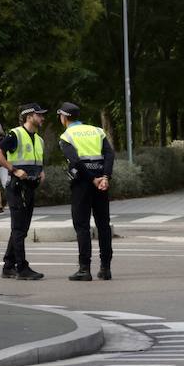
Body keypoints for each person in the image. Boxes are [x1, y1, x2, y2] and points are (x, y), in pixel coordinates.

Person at [0, 103, 48, 281]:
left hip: (30, 187)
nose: (43, 118)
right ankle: (21, 268)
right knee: (19, 228)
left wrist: (41, 171)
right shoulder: (16, 134)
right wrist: (13, 169)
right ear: (29, 116)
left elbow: (37, 161)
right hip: (17, 187)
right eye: (39, 115)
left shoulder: (39, 139)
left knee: (22, 228)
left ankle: (8, 266)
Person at [57, 103, 115, 281]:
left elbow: (75, 162)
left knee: (82, 226)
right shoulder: (97, 131)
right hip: (101, 184)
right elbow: (110, 154)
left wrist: (91, 179)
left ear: (65, 118)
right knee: (103, 225)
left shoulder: (67, 136)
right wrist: (104, 177)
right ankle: (105, 269)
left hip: (83, 183)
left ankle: (84, 269)